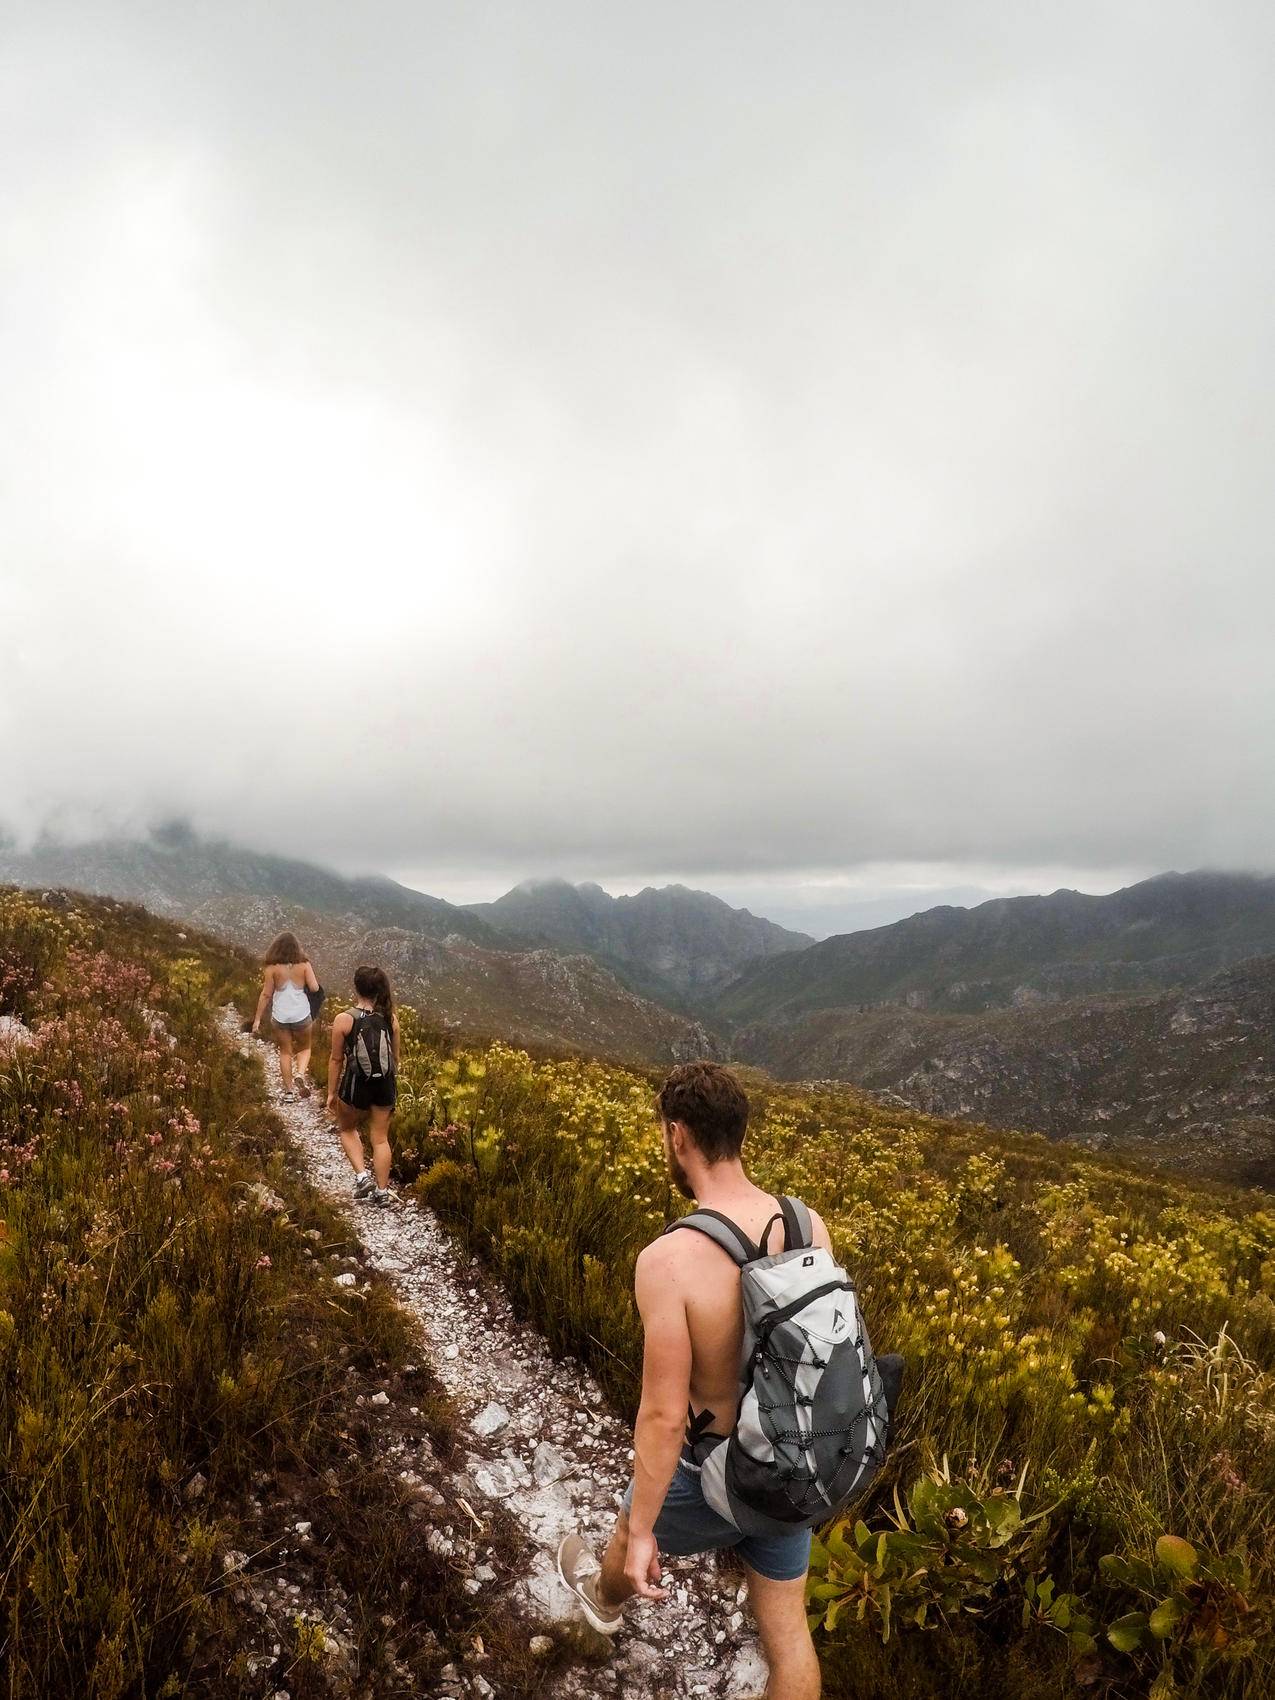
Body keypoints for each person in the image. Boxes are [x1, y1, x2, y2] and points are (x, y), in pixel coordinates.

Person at [556, 1061, 827, 1700]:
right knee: (788, 1637)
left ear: (678, 1136)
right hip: (794, 1464)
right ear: (739, 1131)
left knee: (627, 1535)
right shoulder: (808, 1224)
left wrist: (645, 1529)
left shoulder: (668, 1261)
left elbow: (663, 1417)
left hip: (712, 1473)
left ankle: (602, 1601)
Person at [327, 964, 399, 1208]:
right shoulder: (391, 1019)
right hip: (385, 1086)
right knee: (380, 1139)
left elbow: (337, 1059)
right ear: (379, 991)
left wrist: (331, 1092)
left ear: (355, 987)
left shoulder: (344, 1019)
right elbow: (395, 1059)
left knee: (347, 1129)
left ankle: (362, 1177)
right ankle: (381, 1192)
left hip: (356, 1084)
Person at [251, 931, 319, 1102]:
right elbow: (315, 988)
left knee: (285, 1052)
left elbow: (266, 995)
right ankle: (301, 1074)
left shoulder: (272, 968)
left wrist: (257, 1019)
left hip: (281, 1016)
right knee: (305, 1048)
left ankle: (289, 1092)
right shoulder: (304, 965)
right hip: (301, 1014)